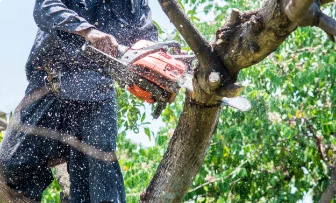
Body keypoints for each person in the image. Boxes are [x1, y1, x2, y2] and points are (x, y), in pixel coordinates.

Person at [0, 0, 157, 202]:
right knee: (11, 165)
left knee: (99, 182)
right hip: (51, 85)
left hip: (96, 94)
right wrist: (87, 31)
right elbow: (45, 8)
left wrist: (157, 63)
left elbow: (147, 40)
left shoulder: (135, 3)